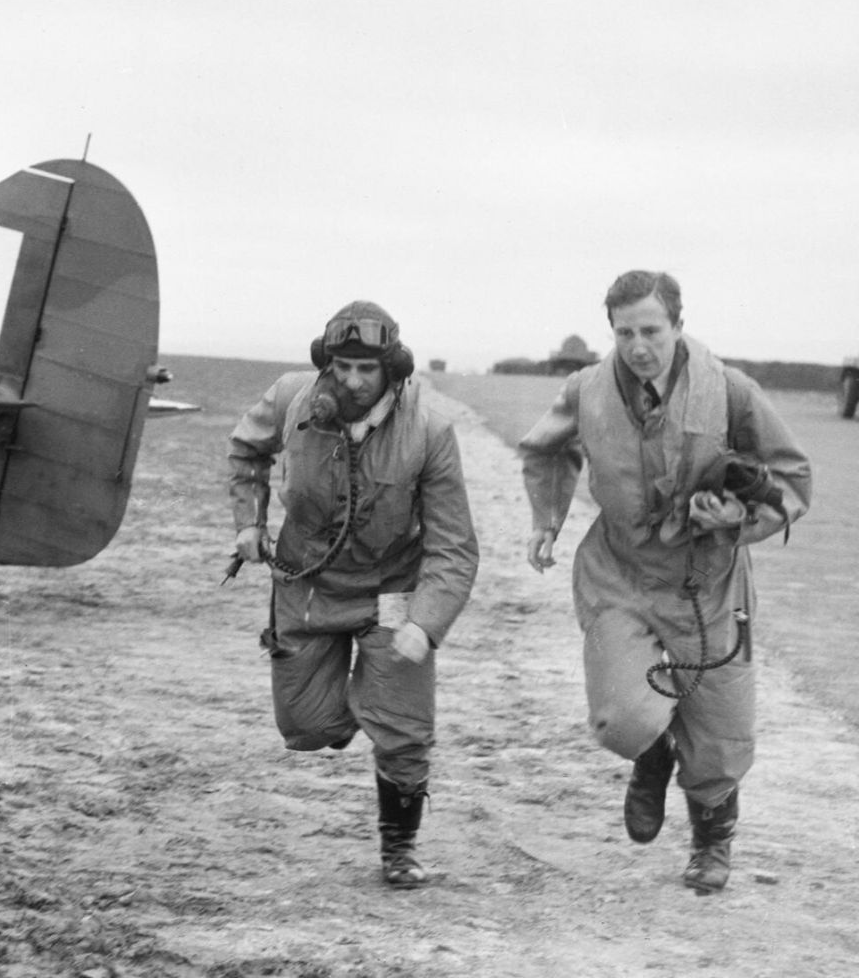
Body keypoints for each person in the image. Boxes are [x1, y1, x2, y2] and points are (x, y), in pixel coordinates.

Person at [520, 270, 810, 892]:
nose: (637, 346)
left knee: (721, 741)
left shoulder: (731, 390)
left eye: (650, 329)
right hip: (620, 575)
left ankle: (710, 843)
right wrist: (547, 520)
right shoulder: (586, 389)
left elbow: (792, 480)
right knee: (622, 716)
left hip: (708, 583)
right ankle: (651, 754)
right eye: (624, 332)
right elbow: (545, 449)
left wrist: (739, 515)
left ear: (678, 325)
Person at [227, 301, 478, 888]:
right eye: (342, 367)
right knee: (306, 726)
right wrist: (248, 522)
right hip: (309, 584)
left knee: (404, 731)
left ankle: (399, 846)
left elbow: (455, 546)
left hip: (391, 590)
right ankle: (373, 705)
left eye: (367, 369)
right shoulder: (293, 399)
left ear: (393, 367)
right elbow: (245, 449)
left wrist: (426, 621)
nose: (353, 382)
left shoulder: (431, 431)